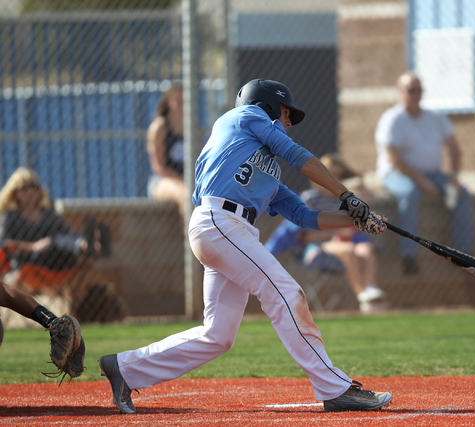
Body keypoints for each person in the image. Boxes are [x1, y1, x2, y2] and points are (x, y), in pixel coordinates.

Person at [98, 78, 392, 414]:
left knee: (218, 335)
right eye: (285, 114)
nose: (288, 122)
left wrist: (357, 218)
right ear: (264, 104)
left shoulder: (266, 167)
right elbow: (296, 155)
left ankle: (125, 368)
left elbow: (306, 216)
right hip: (219, 221)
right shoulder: (243, 117)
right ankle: (335, 387)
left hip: (231, 231)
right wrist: (346, 194)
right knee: (287, 293)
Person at [375, 71, 474, 275]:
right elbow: (393, 158)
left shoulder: (435, 117)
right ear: (400, 92)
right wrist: (420, 180)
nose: (415, 94)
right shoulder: (393, 119)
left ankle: (463, 255)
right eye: (411, 90)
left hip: (432, 174)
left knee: (461, 193)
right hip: (397, 174)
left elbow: (454, 148)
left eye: (419, 90)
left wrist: (454, 178)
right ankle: (408, 255)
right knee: (411, 193)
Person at [266, 153, 388, 313]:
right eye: (331, 174)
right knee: (349, 250)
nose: (335, 178)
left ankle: (371, 289)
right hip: (316, 248)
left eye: (339, 175)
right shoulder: (310, 198)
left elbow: (356, 225)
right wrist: (333, 235)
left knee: (366, 249)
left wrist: (362, 195)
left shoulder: (342, 200)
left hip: (342, 245)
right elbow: (304, 235)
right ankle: (364, 298)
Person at [0, 167, 106, 294]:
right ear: (15, 193)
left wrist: (75, 240)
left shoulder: (48, 214)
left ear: (38, 190)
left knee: (60, 242)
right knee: (54, 241)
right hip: (28, 264)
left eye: (33, 186)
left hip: (56, 262)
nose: (29, 192)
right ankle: (85, 246)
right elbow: (3, 243)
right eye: (23, 188)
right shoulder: (10, 217)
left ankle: (86, 247)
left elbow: (69, 232)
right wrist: (33, 246)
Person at [146, 84, 187, 221]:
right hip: (162, 181)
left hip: (186, 180)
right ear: (169, 102)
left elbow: (196, 163)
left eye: (185, 100)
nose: (181, 105)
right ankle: (191, 240)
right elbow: (158, 167)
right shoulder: (159, 127)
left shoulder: (194, 128)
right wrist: (181, 181)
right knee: (186, 195)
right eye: (177, 100)